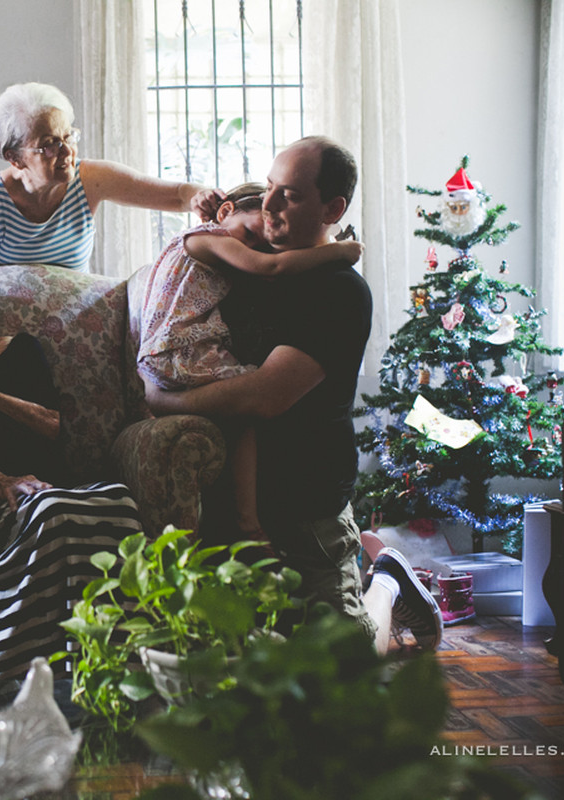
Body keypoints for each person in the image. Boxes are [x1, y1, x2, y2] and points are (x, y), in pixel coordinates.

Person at [142, 136, 442, 654]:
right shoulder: (244, 266)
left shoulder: (339, 291)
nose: (272, 206)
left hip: (308, 502)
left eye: (291, 196)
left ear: (333, 208)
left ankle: (388, 581)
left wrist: (165, 401)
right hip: (236, 499)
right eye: (271, 189)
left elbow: (265, 398)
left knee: (345, 659)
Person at [0, 239, 145, 682]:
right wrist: (1, 482)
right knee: (53, 511)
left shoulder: (21, 349)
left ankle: (117, 670)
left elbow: (51, 425)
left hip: (48, 488)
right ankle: (35, 679)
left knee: (117, 501)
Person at [137, 181, 364, 538]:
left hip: (166, 353)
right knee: (243, 412)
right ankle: (249, 522)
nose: (254, 247)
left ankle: (248, 520)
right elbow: (269, 267)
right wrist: (339, 251)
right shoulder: (204, 239)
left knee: (242, 410)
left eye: (260, 244)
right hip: (177, 350)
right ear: (225, 212)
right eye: (251, 232)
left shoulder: (215, 252)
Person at [0, 81, 223, 271]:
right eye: (49, 144)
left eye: (68, 136)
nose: (67, 151)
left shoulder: (89, 179)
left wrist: (200, 198)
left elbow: (177, 195)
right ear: (15, 157)